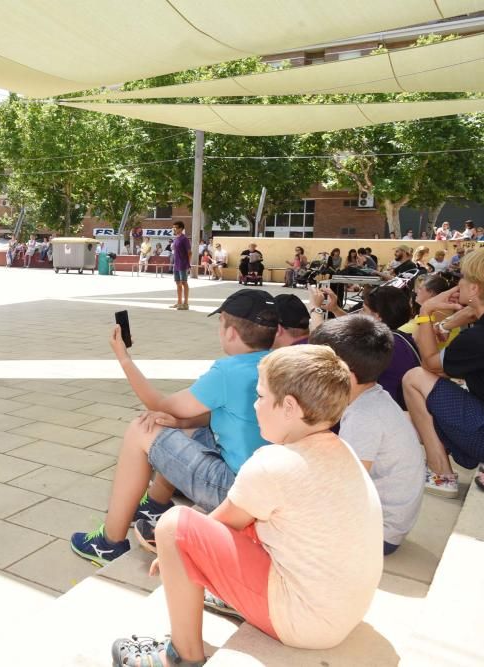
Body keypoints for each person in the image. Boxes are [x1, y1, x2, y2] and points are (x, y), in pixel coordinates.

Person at [110, 346, 382, 666]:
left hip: (304, 620)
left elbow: (205, 530)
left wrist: (173, 555)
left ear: (290, 407)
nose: (255, 405)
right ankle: (227, 602)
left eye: (261, 396)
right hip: (343, 610)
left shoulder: (273, 463)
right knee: (242, 519)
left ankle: (181, 656)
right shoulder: (342, 450)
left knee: (173, 524)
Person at [70, 289, 277, 565]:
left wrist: (123, 358)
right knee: (179, 427)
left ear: (230, 333)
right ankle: (155, 506)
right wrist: (180, 422)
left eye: (221, 324)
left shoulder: (229, 371)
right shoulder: (277, 363)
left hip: (233, 490)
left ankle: (109, 542)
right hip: (262, 483)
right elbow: (231, 416)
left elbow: (160, 404)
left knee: (140, 429)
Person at [311, 316, 424, 555]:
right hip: (385, 524)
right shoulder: (372, 398)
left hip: (379, 534)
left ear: (345, 376)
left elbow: (348, 482)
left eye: (317, 369)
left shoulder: (365, 416)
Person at [403, 249, 484, 498]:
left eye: (463, 279)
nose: (457, 283)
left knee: (414, 378)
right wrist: (446, 323)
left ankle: (441, 474)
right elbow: (473, 312)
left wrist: (426, 311)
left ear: (474, 289)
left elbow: (430, 364)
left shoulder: (476, 339)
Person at [312, 285, 419, 409]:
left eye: (363, 310)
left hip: (380, 412)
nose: (359, 313)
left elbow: (319, 349)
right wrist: (335, 309)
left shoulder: (381, 344)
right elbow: (360, 327)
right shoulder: (401, 338)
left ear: (377, 316)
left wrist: (315, 309)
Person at [398, 272, 461, 349]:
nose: (416, 291)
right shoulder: (435, 310)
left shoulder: (440, 313)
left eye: (420, 288)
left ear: (431, 293)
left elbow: (417, 341)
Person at [170, 221, 191, 310]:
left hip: (183, 264)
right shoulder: (176, 239)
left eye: (176, 227)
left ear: (181, 229)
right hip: (176, 264)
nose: (174, 229)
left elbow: (189, 252)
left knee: (184, 283)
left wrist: (187, 264)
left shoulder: (184, 239)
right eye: (173, 227)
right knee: (178, 283)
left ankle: (185, 304)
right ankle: (179, 302)